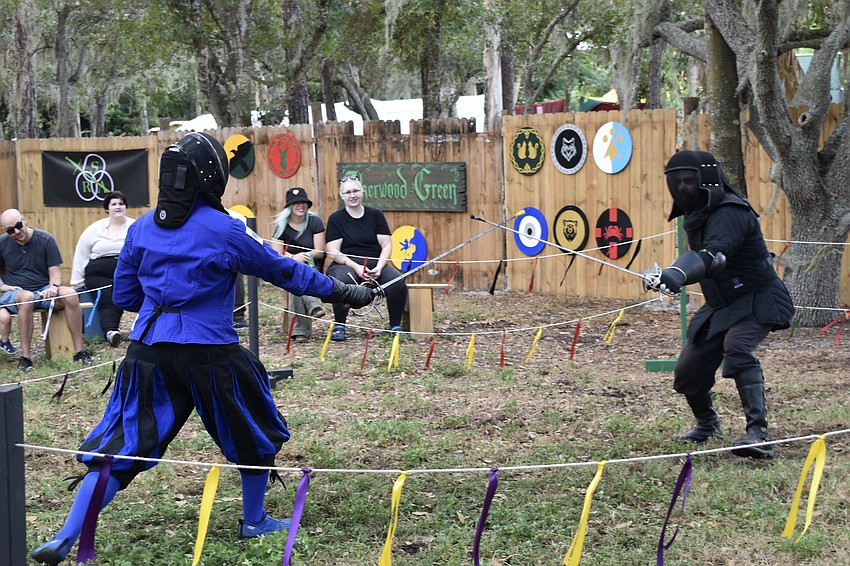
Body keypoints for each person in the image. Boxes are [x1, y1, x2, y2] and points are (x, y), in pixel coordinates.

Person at [30, 132, 373, 565]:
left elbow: (127, 296)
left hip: (148, 351)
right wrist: (345, 292)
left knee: (122, 445)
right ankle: (254, 520)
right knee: (252, 431)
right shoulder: (228, 230)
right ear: (212, 177)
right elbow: (287, 273)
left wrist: (163, 301)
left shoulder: (139, 228)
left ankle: (66, 535)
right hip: (211, 352)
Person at [644, 150, 794, 459]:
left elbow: (715, 255)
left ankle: (758, 434)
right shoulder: (697, 213)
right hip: (721, 305)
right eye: (677, 182)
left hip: (756, 296)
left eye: (689, 181)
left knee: (737, 350)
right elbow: (697, 258)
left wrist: (677, 273)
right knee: (688, 371)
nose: (682, 188)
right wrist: (668, 275)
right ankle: (708, 425)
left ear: (708, 180)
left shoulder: (731, 211)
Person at [0, 209, 94, 371]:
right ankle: (26, 358)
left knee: (70, 294)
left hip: (43, 289)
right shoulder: (2, 243)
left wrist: (53, 287)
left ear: (24, 220)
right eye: (10, 230)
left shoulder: (45, 239)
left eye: (18, 226)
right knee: (27, 297)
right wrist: (3, 286)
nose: (16, 232)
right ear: (5, 231)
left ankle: (79, 351)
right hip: (16, 293)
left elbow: (55, 274)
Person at [325, 175, 408, 341]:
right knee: (340, 281)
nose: (352, 195)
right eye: (348, 192)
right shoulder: (336, 218)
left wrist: (379, 266)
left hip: (375, 262)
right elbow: (333, 251)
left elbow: (386, 245)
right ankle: (340, 325)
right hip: (346, 264)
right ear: (342, 195)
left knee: (398, 282)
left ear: (362, 192)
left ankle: (395, 326)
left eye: (355, 190)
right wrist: (356, 267)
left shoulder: (375, 215)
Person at [70, 190, 135, 347]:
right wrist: (76, 283)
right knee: (108, 294)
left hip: (127, 271)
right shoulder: (95, 228)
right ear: (107, 208)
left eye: (121, 203)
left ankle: (134, 329)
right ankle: (111, 331)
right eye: (114, 204)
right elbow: (81, 253)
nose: (118, 207)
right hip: (98, 273)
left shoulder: (135, 226)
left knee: (123, 291)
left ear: (126, 207)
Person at [271, 187, 326, 342]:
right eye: (296, 203)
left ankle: (299, 332)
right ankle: (314, 305)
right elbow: (276, 253)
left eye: (303, 202)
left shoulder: (315, 221)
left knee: (297, 280)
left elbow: (320, 251)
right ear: (290, 206)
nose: (300, 205)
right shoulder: (281, 225)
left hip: (312, 265)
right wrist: (294, 257)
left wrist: (305, 256)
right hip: (288, 266)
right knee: (295, 274)